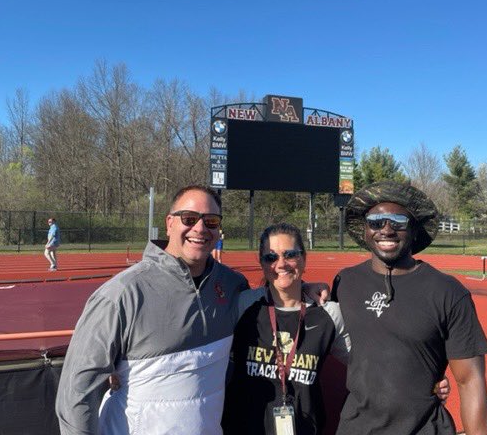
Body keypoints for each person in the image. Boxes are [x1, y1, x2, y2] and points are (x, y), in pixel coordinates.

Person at [56, 186, 327, 435]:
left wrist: (303, 287)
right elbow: (78, 392)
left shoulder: (232, 285)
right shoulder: (122, 293)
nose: (200, 228)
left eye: (211, 221)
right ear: (169, 223)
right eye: (189, 218)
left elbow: (273, 294)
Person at [222, 223, 450, 435]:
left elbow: (371, 361)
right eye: (271, 257)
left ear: (303, 258)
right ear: (262, 262)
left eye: (290, 254)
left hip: (305, 427)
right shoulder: (243, 305)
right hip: (242, 427)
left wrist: (424, 378)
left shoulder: (329, 313)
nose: (281, 264)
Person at [332, 180, 487, 434]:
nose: (386, 230)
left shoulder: (448, 291)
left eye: (398, 221)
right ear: (365, 230)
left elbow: (470, 381)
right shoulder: (344, 283)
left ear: (415, 230)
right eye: (375, 221)